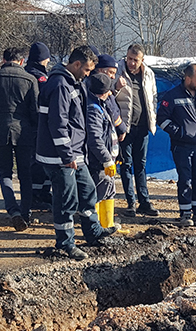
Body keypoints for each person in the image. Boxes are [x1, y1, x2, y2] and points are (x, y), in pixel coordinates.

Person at [36, 45, 112, 260]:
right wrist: (66, 155)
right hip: (60, 156)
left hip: (75, 152)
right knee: (66, 199)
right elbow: (58, 123)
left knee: (88, 191)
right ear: (76, 64)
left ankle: (93, 231)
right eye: (87, 70)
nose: (88, 74)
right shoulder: (60, 84)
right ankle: (65, 242)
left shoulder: (73, 83)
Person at [0, 47, 38, 232]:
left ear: (3, 60)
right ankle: (26, 213)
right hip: (24, 131)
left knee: (5, 173)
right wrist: (34, 128)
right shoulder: (30, 79)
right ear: (22, 61)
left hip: (1, 129)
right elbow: (35, 109)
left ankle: (13, 211)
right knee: (25, 175)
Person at [157, 64, 196, 226]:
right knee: (185, 179)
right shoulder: (172, 95)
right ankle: (185, 213)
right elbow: (162, 119)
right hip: (181, 146)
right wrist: (179, 133)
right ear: (188, 78)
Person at [114, 44, 159, 217]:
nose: (131, 63)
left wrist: (152, 119)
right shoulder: (118, 71)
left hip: (143, 127)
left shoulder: (148, 74)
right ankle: (130, 202)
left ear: (142, 60)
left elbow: (153, 97)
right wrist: (117, 86)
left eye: (135, 60)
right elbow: (108, 95)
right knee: (126, 164)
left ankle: (144, 201)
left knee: (141, 165)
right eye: (129, 59)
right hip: (125, 128)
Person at [86, 72, 128, 234]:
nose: (111, 93)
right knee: (97, 193)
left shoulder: (101, 105)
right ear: (103, 92)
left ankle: (107, 224)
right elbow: (95, 139)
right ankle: (96, 228)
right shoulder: (93, 110)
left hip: (108, 158)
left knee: (109, 190)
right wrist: (106, 160)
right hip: (98, 162)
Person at [25, 42, 54, 211]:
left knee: (38, 161)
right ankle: (37, 195)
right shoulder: (40, 77)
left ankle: (42, 192)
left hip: (31, 124)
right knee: (38, 162)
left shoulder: (27, 72)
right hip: (38, 124)